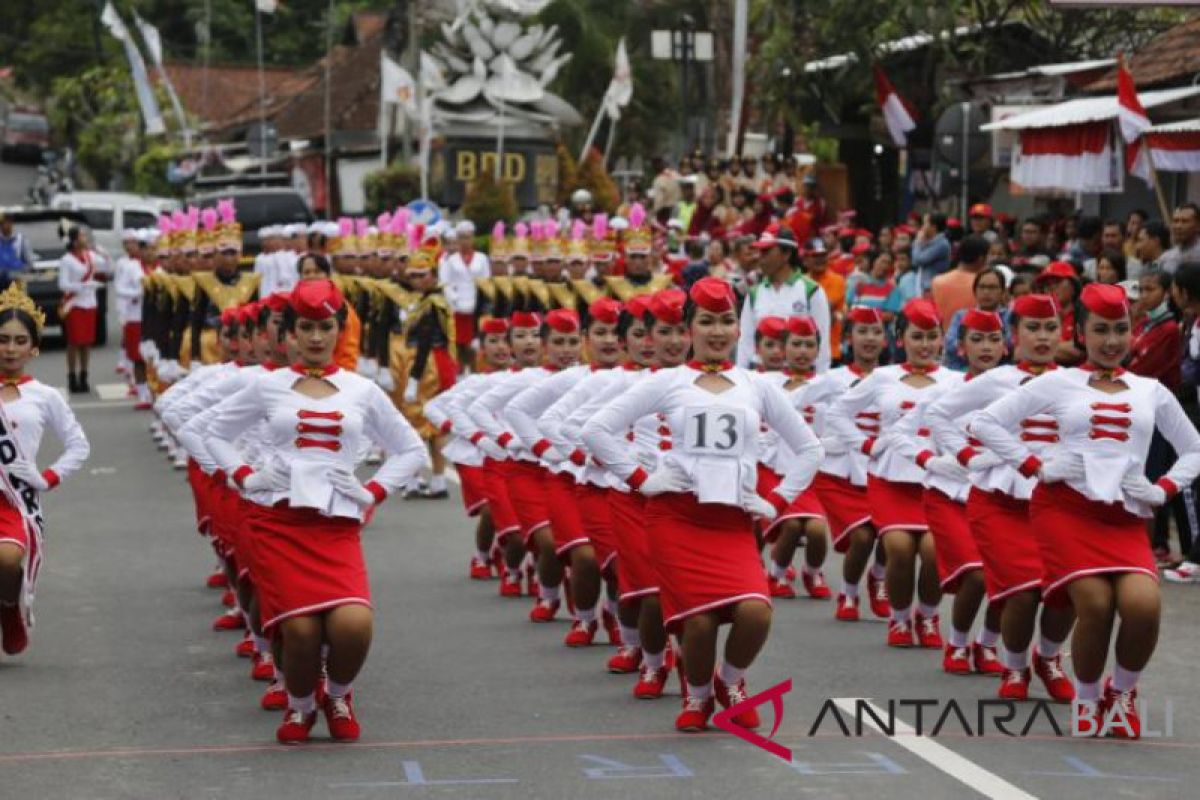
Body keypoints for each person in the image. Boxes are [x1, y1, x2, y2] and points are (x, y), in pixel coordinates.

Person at [582, 277, 823, 733]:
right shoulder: (669, 382)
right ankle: (696, 697)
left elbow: (810, 449)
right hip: (676, 517)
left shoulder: (756, 386)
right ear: (689, 327)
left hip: (732, 521)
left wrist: (776, 500)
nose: (717, 331)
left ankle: (729, 681)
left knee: (755, 611)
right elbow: (597, 429)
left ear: (739, 329)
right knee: (699, 623)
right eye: (707, 321)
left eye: (727, 321)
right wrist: (641, 479)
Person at [205, 279, 429, 744]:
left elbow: (410, 449)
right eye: (305, 327)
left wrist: (373, 491)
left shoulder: (361, 390)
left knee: (353, 624)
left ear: (339, 331)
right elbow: (214, 434)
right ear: (288, 333)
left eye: (325, 327)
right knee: (301, 632)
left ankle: (340, 694)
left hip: (336, 524)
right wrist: (246, 476)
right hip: (277, 520)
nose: (315, 337)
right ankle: (302, 705)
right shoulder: (268, 386)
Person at [972, 283, 1200, 737]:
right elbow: (985, 423)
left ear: (1133, 331)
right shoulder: (1058, 381)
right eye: (1101, 330)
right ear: (1083, 333)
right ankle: (1088, 696)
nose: (1112, 341)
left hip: (1125, 516)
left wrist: (1164, 489)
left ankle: (1123, 691)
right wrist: (1035, 465)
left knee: (1143, 605)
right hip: (1064, 511)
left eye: (1120, 329)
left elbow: (1194, 447)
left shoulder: (1150, 390)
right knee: (1094, 604)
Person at [925, 293, 1077, 699]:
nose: (1042, 337)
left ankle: (1048, 658)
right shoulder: (998, 380)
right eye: (1032, 328)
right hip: (999, 502)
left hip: (1060, 503)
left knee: (1070, 591)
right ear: (1014, 336)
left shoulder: (1076, 381)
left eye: (1050, 328)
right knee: (1023, 593)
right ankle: (1014, 668)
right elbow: (937, 414)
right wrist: (967, 455)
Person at [827, 299, 962, 648]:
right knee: (900, 550)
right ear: (900, 339)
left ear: (942, 340)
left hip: (936, 479)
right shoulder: (882, 377)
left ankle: (929, 616)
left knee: (934, 552)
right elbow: (839, 414)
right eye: (917, 336)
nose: (925, 344)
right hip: (889, 477)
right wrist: (866, 445)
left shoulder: (956, 381)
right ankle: (900, 618)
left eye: (932, 336)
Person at [0, 284, 91, 656]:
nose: (10, 348)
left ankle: (9, 611)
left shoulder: (45, 395)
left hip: (14, 501)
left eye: (20, 340)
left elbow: (79, 445)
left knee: (7, 562)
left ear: (33, 348)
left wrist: (46, 478)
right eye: (3, 339)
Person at [736, 226, 832, 371]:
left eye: (766, 251)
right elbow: (745, 343)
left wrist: (819, 384)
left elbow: (822, 344)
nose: (758, 257)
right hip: (760, 379)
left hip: (798, 379)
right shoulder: (754, 293)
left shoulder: (812, 291)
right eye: (759, 251)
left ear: (786, 253)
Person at [57, 225, 108, 394]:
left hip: (89, 303)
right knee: (74, 342)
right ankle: (71, 377)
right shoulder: (67, 260)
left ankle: (84, 376)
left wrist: (101, 252)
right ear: (74, 240)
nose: (85, 238)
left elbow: (106, 265)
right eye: (82, 236)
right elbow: (62, 284)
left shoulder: (90, 256)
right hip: (74, 305)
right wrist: (82, 285)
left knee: (86, 343)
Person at [439, 220, 491, 366]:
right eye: (461, 237)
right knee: (459, 342)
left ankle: (474, 368)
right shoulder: (451, 260)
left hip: (476, 305)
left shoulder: (482, 258)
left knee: (474, 342)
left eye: (467, 237)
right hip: (457, 305)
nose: (465, 241)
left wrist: (482, 302)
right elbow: (445, 282)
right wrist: (453, 299)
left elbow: (486, 282)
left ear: (472, 238)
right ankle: (460, 369)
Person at [113, 228, 154, 408]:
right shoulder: (131, 266)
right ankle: (143, 394)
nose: (150, 253)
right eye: (147, 249)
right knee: (138, 357)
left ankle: (154, 391)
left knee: (153, 357)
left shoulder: (161, 268)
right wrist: (137, 292)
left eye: (154, 249)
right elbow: (119, 288)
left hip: (154, 318)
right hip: (135, 316)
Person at [942, 267, 1009, 371]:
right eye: (982, 287)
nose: (986, 292)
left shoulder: (1008, 317)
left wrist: (971, 345)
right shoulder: (961, 316)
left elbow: (1010, 344)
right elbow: (949, 343)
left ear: (1003, 292)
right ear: (974, 291)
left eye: (992, 287)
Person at [931, 235, 990, 329]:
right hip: (973, 338)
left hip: (942, 338)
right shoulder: (984, 285)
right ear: (981, 258)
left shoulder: (937, 282)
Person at [911, 213, 952, 293]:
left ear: (933, 227)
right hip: (923, 286)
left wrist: (917, 242)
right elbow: (914, 261)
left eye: (925, 223)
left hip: (932, 288)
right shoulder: (928, 241)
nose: (922, 227)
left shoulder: (942, 243)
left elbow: (919, 260)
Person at [0, 212, 35, 291]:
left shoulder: (21, 240)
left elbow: (30, 263)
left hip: (17, 283)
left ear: (10, 223)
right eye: (1, 224)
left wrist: (17, 271)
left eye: (4, 223)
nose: (2, 226)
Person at [1161, 203, 1200, 273]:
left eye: (1185, 221)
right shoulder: (1166, 258)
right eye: (1175, 221)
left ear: (1198, 226)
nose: (1178, 226)